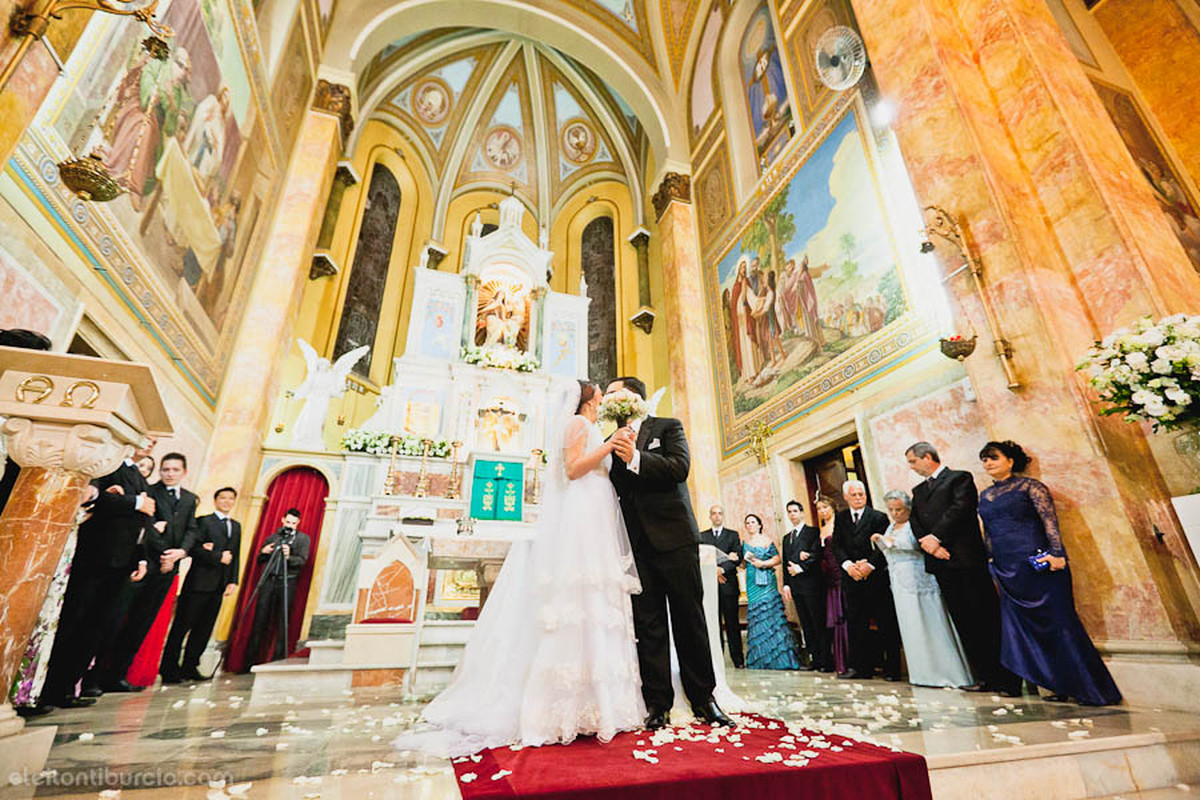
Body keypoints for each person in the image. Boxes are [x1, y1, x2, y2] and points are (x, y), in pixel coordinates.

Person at [400, 380, 645, 755]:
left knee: (596, 602)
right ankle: (566, 705)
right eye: (598, 393)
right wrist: (609, 446)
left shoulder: (593, 427)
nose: (602, 397)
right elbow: (573, 468)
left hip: (596, 513)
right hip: (582, 514)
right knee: (578, 598)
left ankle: (599, 703)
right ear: (589, 399)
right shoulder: (578, 424)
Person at [607, 376, 733, 730]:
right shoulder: (609, 441)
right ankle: (657, 703)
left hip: (675, 538)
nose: (610, 398)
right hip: (636, 545)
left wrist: (635, 457)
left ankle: (704, 699)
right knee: (649, 625)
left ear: (634, 397)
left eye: (615, 392)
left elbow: (679, 468)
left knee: (689, 618)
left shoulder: (668, 426)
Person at [977, 441, 1122, 706]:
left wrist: (1057, 553)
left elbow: (1049, 521)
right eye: (984, 459)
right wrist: (990, 561)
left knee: (1059, 623)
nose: (987, 463)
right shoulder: (984, 496)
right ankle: (1055, 683)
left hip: (1037, 563)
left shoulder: (1032, 487)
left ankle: (1087, 687)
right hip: (1007, 570)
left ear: (1010, 460)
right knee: (1024, 628)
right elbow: (989, 532)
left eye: (993, 458)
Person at [40, 438, 157, 710]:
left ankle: (67, 687)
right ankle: (48, 688)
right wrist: (132, 502)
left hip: (122, 561)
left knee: (95, 628)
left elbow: (142, 521)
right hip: (93, 556)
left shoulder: (137, 477)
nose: (151, 442)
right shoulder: (106, 464)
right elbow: (86, 497)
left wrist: (140, 558)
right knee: (74, 620)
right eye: (147, 435)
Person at [906, 441, 1020, 696]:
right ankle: (985, 676)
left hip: (966, 559)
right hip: (940, 562)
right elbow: (915, 521)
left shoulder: (959, 479)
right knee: (964, 622)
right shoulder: (917, 490)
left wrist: (937, 538)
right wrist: (930, 545)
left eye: (913, 461)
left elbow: (960, 510)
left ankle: (1008, 680)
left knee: (986, 618)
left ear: (927, 457)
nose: (911, 467)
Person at [92, 452, 199, 690]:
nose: (169, 474)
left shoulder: (190, 499)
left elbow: (192, 529)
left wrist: (180, 553)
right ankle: (97, 676)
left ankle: (119, 675)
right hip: (144, 563)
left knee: (142, 623)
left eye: (174, 470)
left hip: (169, 569)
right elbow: (145, 527)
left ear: (184, 472)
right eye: (165, 469)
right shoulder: (149, 490)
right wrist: (163, 554)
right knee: (119, 619)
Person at [872, 490, 973, 688]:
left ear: (908, 508)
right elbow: (888, 550)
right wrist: (881, 542)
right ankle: (921, 673)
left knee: (930, 621)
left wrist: (892, 542)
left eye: (899, 509)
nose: (895, 513)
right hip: (898, 579)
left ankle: (946, 673)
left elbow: (916, 543)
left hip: (918, 575)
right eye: (891, 510)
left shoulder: (915, 523)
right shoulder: (891, 526)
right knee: (910, 625)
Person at [161, 486, 241, 683]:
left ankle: (190, 665)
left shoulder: (236, 526)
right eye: (223, 498)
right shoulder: (204, 521)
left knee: (204, 629)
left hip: (219, 585)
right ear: (216, 500)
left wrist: (232, 580)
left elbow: (235, 555)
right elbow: (193, 548)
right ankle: (169, 668)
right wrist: (216, 556)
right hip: (198, 583)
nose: (227, 502)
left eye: (231, 499)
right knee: (182, 626)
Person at [832, 480, 900, 681]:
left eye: (861, 494)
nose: (858, 497)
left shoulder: (878, 517)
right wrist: (848, 566)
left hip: (875, 578)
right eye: (854, 495)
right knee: (856, 624)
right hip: (852, 578)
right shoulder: (841, 518)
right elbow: (837, 546)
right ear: (846, 497)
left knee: (886, 623)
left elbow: (883, 545)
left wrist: (869, 566)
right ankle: (862, 668)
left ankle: (892, 669)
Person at [244, 508, 311, 667]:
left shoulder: (303, 539)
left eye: (293, 523)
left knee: (283, 621)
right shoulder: (274, 537)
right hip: (269, 581)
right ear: (282, 520)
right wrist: (264, 551)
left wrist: (289, 557)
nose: (290, 526)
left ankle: (279, 660)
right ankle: (250, 661)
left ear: (298, 523)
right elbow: (259, 560)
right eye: (288, 522)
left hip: (288, 581)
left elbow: (302, 560)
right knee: (260, 620)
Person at [743, 514, 800, 670]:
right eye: (747, 523)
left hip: (767, 579)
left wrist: (763, 563)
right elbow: (743, 564)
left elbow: (777, 559)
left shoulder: (767, 540)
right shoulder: (744, 543)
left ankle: (778, 658)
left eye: (753, 522)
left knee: (770, 613)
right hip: (751, 581)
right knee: (756, 615)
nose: (750, 525)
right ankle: (760, 658)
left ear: (760, 525)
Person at [782, 500, 828, 671]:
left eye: (795, 511)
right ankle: (814, 659)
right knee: (806, 624)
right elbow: (785, 562)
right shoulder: (787, 538)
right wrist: (786, 584)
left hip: (812, 584)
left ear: (802, 512)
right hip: (796, 586)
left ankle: (825, 660)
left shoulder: (812, 532)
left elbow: (817, 554)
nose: (792, 514)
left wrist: (801, 567)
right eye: (789, 511)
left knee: (818, 622)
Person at [700, 505, 744, 669]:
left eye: (720, 513)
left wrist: (722, 569)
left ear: (723, 516)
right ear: (710, 516)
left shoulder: (733, 535)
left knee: (733, 624)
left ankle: (738, 659)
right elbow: (700, 557)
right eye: (714, 513)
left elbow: (737, 557)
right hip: (711, 586)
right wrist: (714, 571)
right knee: (714, 624)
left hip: (729, 585)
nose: (717, 516)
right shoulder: (702, 536)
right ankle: (717, 660)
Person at [815, 497, 848, 674]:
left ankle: (848, 660)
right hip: (826, 576)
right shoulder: (820, 528)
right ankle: (838, 661)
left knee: (842, 614)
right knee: (833, 617)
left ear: (833, 507)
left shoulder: (840, 523)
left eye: (825, 507)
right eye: (819, 508)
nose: (822, 511)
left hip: (839, 572)